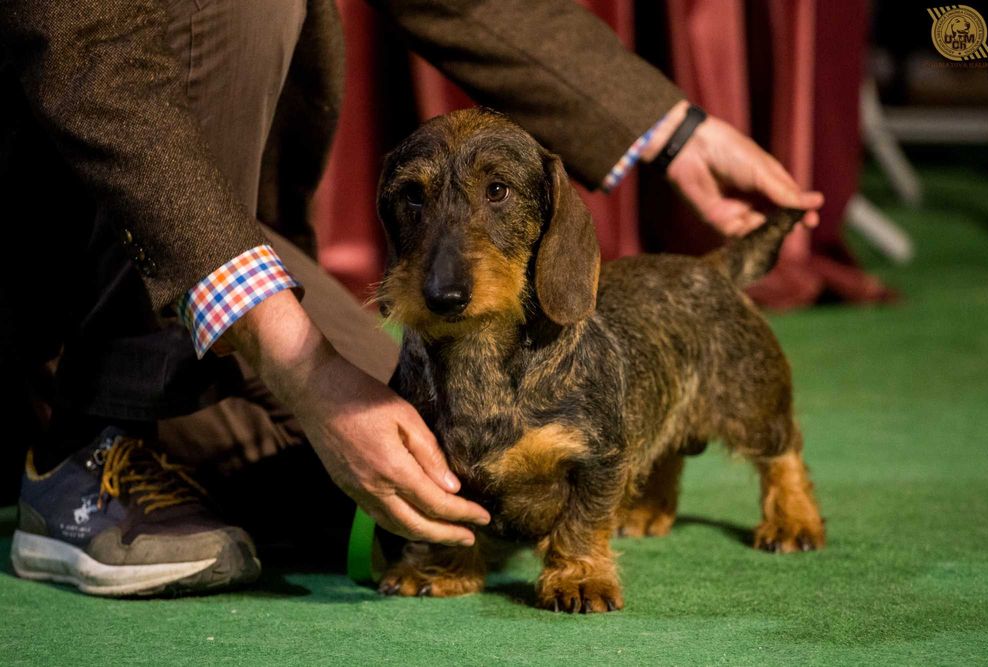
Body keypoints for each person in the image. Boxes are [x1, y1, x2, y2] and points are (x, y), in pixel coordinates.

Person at [0, 0, 823, 596]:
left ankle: (143, 393)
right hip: (75, 193)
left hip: (214, 232)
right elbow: (89, 60)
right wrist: (296, 358)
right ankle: (89, 437)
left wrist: (673, 130)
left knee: (402, 471)